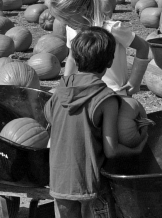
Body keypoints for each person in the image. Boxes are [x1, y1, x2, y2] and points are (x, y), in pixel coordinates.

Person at [44, 26, 148, 218]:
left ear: (74, 59)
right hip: (87, 181)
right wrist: (137, 149)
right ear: (110, 62)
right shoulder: (106, 99)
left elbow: (50, 119)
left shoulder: (59, 91)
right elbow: (111, 149)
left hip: (59, 179)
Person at [49, 0, 150, 96]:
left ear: (81, 10)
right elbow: (72, 58)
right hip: (87, 93)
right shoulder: (71, 29)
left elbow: (143, 47)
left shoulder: (112, 29)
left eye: (66, 18)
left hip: (115, 93)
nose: (63, 23)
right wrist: (64, 85)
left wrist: (134, 82)